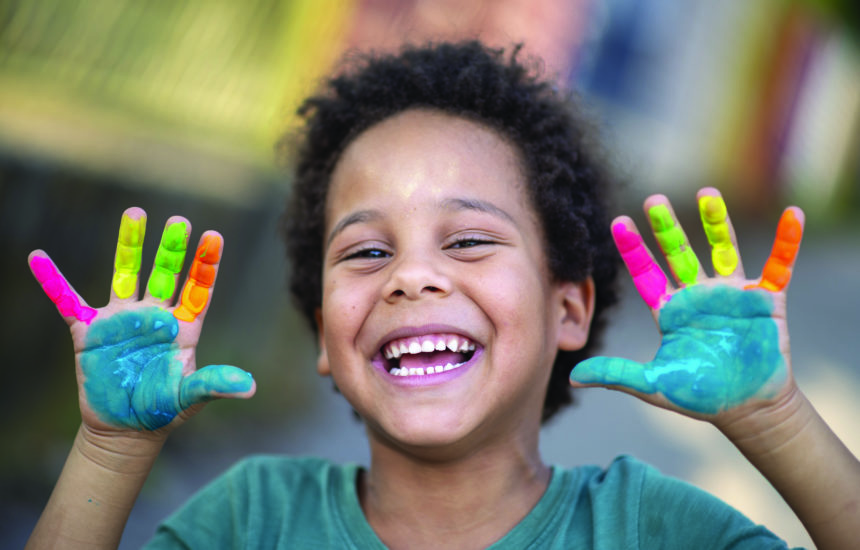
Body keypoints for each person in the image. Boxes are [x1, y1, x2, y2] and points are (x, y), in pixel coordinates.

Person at [25, 41, 858, 549]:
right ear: (325, 335)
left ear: (569, 308)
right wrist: (110, 449)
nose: (410, 276)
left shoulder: (649, 527)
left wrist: (773, 417)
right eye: (367, 250)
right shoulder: (252, 520)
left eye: (466, 240)